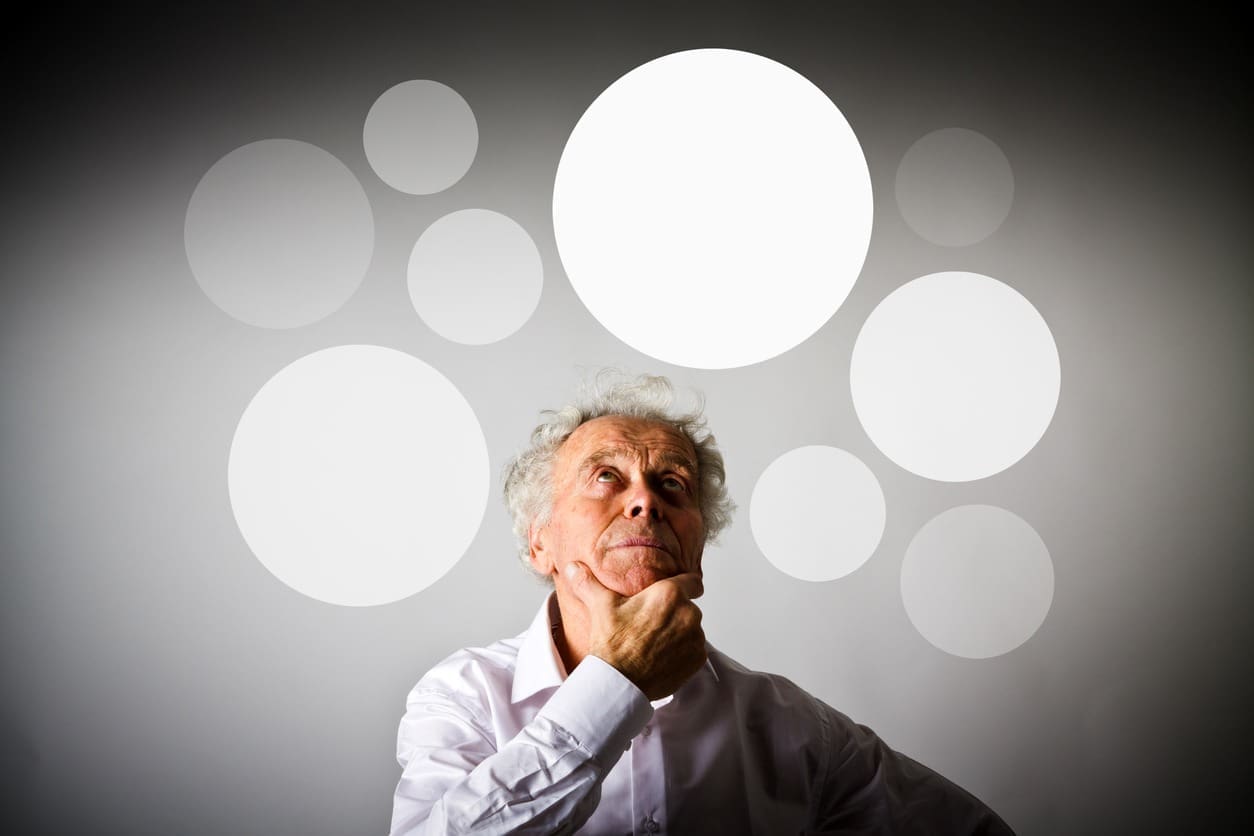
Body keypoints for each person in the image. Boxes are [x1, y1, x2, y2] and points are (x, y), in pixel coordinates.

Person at [390, 373, 1014, 835]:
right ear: (539, 542)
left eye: (672, 484)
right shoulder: (462, 696)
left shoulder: (792, 728)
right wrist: (618, 682)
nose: (646, 501)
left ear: (698, 544)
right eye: (606, 477)